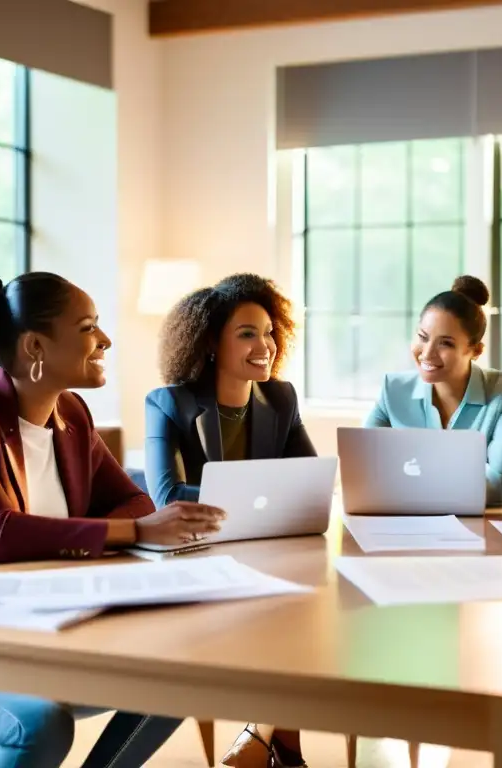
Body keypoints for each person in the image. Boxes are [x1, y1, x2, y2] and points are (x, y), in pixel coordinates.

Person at [0, 273, 225, 768]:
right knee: (40, 725)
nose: (104, 340)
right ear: (35, 345)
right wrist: (134, 533)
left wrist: (132, 525)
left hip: (27, 631)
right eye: (88, 328)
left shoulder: (72, 416)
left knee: (185, 677)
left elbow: (135, 501)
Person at [144, 272, 315, 768]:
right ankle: (271, 742)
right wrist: (264, 496)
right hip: (193, 556)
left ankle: (271, 741)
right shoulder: (169, 403)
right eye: (247, 333)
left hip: (263, 552)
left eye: (268, 332)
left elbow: (308, 481)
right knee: (282, 608)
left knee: (307, 601)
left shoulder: (280, 398)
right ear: (211, 344)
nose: (264, 345)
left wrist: (264, 498)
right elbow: (168, 496)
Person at [364, 276, 502, 507]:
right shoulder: (393, 390)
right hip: (403, 527)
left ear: (475, 351)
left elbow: (498, 487)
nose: (427, 354)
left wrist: (404, 480)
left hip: (477, 533)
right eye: (423, 337)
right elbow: (362, 467)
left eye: (446, 343)